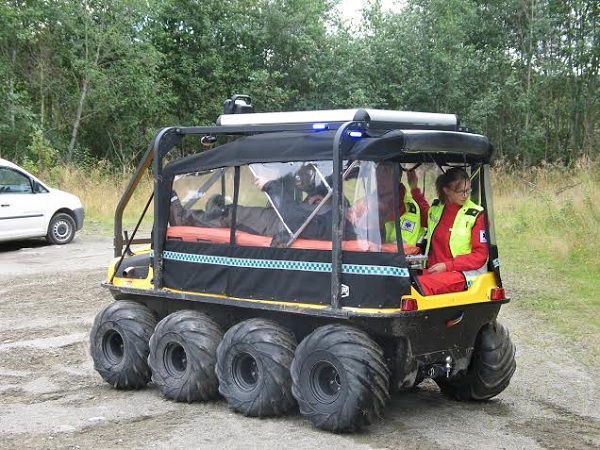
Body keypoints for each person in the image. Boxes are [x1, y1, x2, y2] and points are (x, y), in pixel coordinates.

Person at [417, 167, 488, 295]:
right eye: (461, 191)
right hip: (434, 270)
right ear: (447, 191)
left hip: (462, 273)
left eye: (468, 190)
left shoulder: (476, 215)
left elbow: (480, 256)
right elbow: (422, 215)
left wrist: (448, 266)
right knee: (403, 281)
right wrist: (414, 189)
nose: (466, 195)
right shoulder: (437, 209)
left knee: (421, 285)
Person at [383, 169, 429, 246]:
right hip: (370, 257)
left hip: (406, 257)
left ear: (398, 178)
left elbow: (429, 219)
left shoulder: (413, 207)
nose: (380, 178)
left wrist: (414, 189)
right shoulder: (365, 205)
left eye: (385, 174)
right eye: (377, 174)